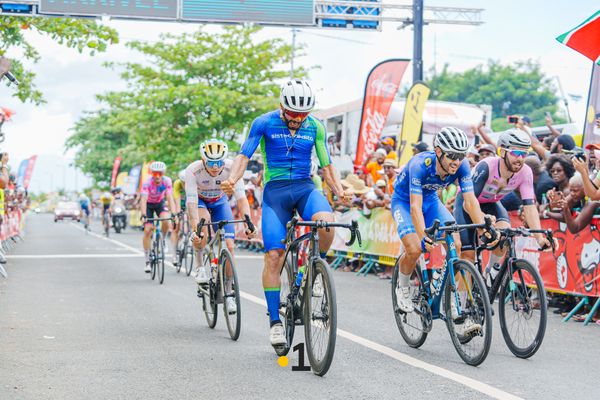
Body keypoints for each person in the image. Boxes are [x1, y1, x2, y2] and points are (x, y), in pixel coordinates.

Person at [220, 79, 352, 348]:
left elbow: (326, 165)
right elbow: (244, 156)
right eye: (293, 114)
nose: (297, 119)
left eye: (302, 115)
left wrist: (338, 190)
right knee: (274, 256)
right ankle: (275, 324)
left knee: (327, 223)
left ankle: (317, 268)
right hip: (276, 192)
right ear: (282, 107)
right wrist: (233, 180)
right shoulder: (264, 122)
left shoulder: (314, 125)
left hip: (305, 186)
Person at [392, 126, 497, 336]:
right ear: (438, 151)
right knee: (414, 249)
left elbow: (470, 201)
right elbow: (414, 207)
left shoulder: (463, 166)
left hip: (431, 201)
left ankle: (448, 293)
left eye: (461, 156)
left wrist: (484, 229)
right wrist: (424, 237)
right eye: (452, 156)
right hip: (404, 202)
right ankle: (402, 287)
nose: (457, 161)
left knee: (456, 244)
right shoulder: (420, 164)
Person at [454, 129, 551, 288]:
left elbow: (530, 206)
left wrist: (539, 238)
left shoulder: (526, 172)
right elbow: (468, 203)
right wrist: (482, 226)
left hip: (492, 204)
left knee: (504, 237)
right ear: (503, 152)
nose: (520, 158)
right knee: (468, 255)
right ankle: (462, 304)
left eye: (524, 154)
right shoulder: (486, 166)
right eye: (516, 152)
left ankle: (487, 276)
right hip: (467, 204)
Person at [186, 139, 255, 313]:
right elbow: (192, 204)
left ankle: (229, 292)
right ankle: (200, 266)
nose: (216, 166)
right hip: (200, 202)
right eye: (211, 162)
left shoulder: (232, 168)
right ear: (203, 160)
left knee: (230, 247)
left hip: (220, 202)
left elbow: (241, 198)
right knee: (203, 230)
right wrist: (195, 229)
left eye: (219, 162)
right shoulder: (193, 170)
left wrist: (248, 222)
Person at [140, 161, 176, 273]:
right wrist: (143, 214)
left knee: (166, 220)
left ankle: (163, 239)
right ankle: (147, 260)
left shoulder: (167, 181)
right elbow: (143, 200)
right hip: (148, 205)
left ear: (163, 174)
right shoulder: (147, 182)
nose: (157, 176)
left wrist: (173, 213)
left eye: (160, 174)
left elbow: (170, 197)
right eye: (155, 174)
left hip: (160, 203)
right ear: (152, 174)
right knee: (147, 230)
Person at [171, 170, 187, 265]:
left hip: (189, 200)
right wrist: (177, 214)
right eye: (183, 183)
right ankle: (174, 254)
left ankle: (186, 237)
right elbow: (176, 202)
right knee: (176, 227)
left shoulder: (194, 182)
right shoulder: (177, 183)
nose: (185, 185)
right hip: (179, 203)